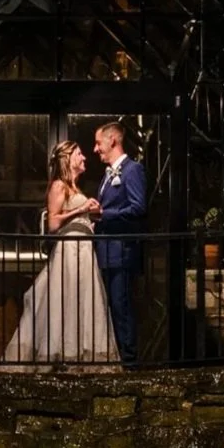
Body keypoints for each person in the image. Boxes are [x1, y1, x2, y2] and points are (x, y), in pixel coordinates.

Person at [0, 140, 120, 370]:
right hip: (70, 253)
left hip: (84, 252)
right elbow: (54, 222)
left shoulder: (75, 188)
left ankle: (80, 355)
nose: (84, 157)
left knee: (83, 301)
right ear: (68, 158)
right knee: (66, 300)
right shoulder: (59, 186)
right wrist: (81, 211)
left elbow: (73, 218)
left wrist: (89, 220)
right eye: (79, 153)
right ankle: (61, 355)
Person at [92, 122, 146, 367]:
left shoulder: (132, 170)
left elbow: (138, 207)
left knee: (121, 306)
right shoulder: (108, 173)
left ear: (112, 140)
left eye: (98, 143)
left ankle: (130, 362)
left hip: (121, 251)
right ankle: (120, 357)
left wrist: (104, 214)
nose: (95, 149)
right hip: (107, 251)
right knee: (114, 306)